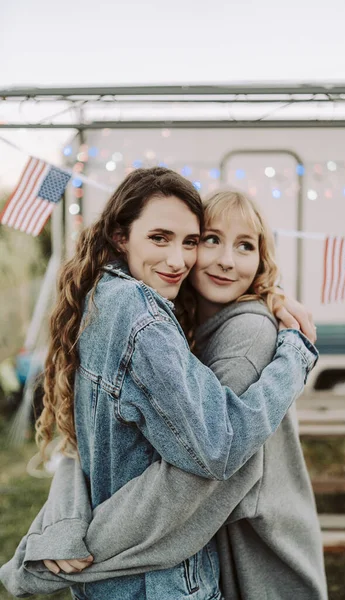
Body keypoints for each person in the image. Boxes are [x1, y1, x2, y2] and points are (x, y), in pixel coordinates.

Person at [0, 170, 320, 600]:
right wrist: (65, 522)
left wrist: (81, 536)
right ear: (120, 237)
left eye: (188, 241)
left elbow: (207, 464)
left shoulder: (112, 298)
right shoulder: (149, 317)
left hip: (150, 573)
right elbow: (99, 446)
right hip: (157, 579)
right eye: (163, 238)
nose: (178, 259)